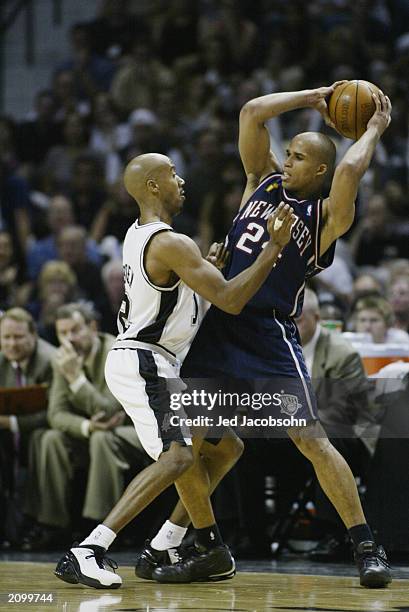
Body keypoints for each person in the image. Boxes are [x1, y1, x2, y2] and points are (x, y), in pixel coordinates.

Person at [153, 83, 392, 588]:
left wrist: (372, 128)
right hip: (216, 326)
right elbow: (251, 111)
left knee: (310, 439)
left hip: (268, 335)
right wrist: (315, 97)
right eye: (288, 152)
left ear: (319, 172)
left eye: (300, 156)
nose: (287, 161)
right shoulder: (259, 182)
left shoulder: (326, 217)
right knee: (190, 447)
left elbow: (350, 169)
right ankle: (202, 544)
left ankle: (366, 545)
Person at [54, 153, 295, 589]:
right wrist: (274, 248)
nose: (181, 180)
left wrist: (207, 273)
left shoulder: (140, 235)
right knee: (180, 456)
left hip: (154, 358)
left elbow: (181, 305)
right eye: (171, 174)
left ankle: (166, 541)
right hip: (145, 360)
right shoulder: (170, 242)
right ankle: (88, 550)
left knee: (227, 448)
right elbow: (232, 300)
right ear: (151, 186)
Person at [25, 303, 144, 550]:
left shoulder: (117, 352)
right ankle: (54, 525)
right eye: (62, 333)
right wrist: (87, 426)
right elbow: (56, 414)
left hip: (135, 430)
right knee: (49, 438)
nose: (69, 339)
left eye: (75, 330)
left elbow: (110, 409)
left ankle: (101, 527)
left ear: (92, 327)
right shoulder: (65, 358)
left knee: (103, 440)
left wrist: (76, 380)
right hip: (94, 432)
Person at [296, 289, 377, 560]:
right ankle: (244, 529)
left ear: (317, 318)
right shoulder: (277, 348)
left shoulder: (342, 353)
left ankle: (333, 533)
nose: (292, 325)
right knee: (233, 438)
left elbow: (341, 412)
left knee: (326, 437)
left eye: (299, 319)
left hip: (348, 435)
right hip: (292, 434)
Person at [0, 308, 56, 548]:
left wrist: (11, 423)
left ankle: (43, 524)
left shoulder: (51, 361)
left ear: (34, 335)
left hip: (42, 434)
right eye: (6, 337)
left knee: (44, 440)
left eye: (19, 337)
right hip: (8, 439)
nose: (12, 344)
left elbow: (55, 412)